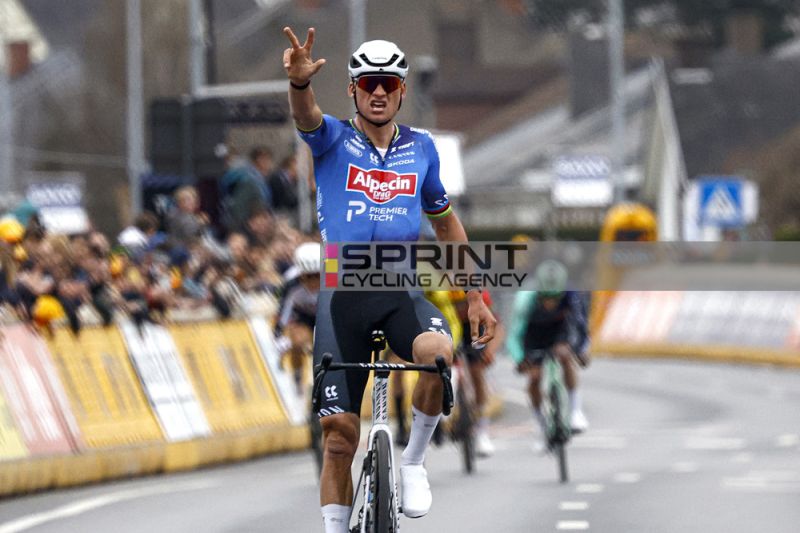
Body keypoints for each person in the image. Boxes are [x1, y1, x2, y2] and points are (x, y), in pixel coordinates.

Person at [283, 27, 496, 532]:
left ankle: (414, 461)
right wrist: (299, 84)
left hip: (402, 292)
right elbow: (306, 117)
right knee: (339, 437)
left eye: (389, 84)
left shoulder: (422, 148)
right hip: (342, 299)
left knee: (438, 356)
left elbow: (446, 225)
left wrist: (473, 297)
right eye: (368, 84)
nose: (378, 92)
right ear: (353, 90)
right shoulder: (333, 138)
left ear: (402, 91)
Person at [506, 260, 590, 450]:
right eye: (545, 298)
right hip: (533, 334)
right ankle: (541, 424)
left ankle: (576, 411)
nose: (550, 303)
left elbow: (581, 327)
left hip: (559, 331)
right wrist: (520, 359)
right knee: (534, 378)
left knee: (566, 356)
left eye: (555, 298)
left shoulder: (571, 294)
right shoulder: (526, 298)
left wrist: (581, 350)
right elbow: (514, 334)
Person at [450, 288, 504, 457]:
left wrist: (490, 352)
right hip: (449, 324)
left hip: (472, 328)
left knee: (477, 372)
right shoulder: (440, 292)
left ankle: (482, 430)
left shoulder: (479, 295)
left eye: (463, 303)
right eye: (457, 304)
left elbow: (497, 327)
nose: (460, 307)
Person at [274, 241, 321, 395]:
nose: (313, 281)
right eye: (308, 277)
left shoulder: (333, 274)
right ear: (300, 273)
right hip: (303, 316)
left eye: (318, 275)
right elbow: (283, 309)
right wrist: (278, 335)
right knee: (298, 342)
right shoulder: (290, 282)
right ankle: (298, 375)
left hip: (325, 315)